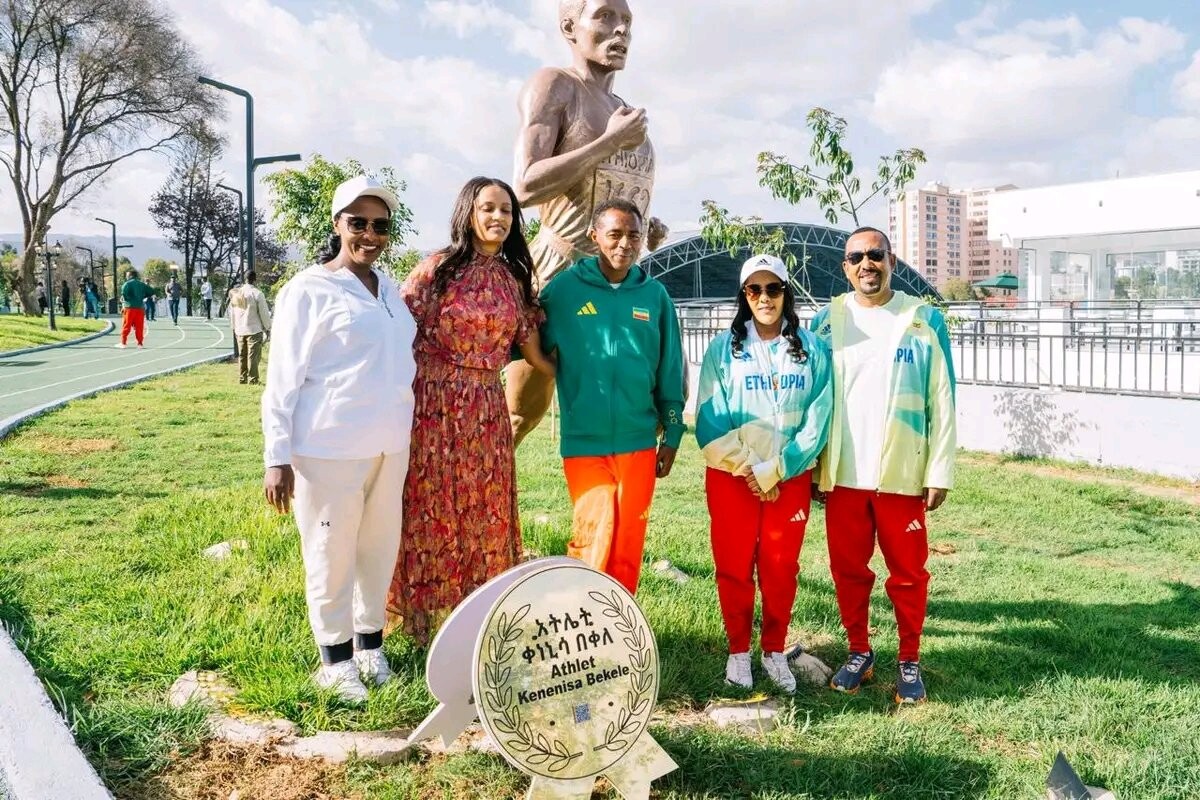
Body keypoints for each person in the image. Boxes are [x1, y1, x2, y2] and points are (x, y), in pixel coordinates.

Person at [261, 176, 417, 704]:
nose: (369, 234)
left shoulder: (390, 289)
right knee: (330, 553)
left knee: (378, 549)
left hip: (390, 446)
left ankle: (369, 645)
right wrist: (276, 457)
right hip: (328, 449)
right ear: (337, 224)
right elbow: (282, 379)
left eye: (380, 225)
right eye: (358, 223)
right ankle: (334, 660)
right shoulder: (308, 290)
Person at [387, 177, 555, 645]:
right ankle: (421, 616)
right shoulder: (436, 269)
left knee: (486, 509)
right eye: (488, 208)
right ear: (469, 213)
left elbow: (535, 354)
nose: (498, 217)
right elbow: (397, 333)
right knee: (429, 506)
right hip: (433, 405)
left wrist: (588, 372)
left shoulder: (513, 280)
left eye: (506, 210)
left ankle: (479, 613)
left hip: (486, 408)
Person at [505, 0, 669, 448]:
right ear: (569, 27)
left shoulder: (626, 110)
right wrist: (609, 141)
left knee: (622, 408)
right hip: (558, 275)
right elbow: (525, 185)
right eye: (605, 17)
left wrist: (645, 224)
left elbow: (610, 194)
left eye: (627, 21)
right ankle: (476, 487)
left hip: (616, 286)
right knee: (519, 414)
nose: (621, 31)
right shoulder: (556, 85)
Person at [811, 227, 957, 705]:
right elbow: (811, 397)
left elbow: (943, 399)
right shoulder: (826, 321)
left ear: (891, 260)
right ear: (845, 267)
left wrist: (939, 470)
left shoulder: (922, 319)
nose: (866, 264)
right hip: (843, 475)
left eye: (875, 254)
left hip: (901, 473)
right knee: (848, 570)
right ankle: (859, 651)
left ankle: (909, 659)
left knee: (908, 573)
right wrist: (812, 465)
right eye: (856, 257)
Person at [695, 254, 832, 693]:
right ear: (744, 296)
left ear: (786, 294)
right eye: (755, 290)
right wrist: (753, 470)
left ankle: (773, 650)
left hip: (788, 478)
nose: (765, 298)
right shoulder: (722, 349)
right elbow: (710, 420)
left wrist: (779, 468)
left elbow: (819, 417)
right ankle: (738, 651)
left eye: (773, 288)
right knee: (733, 565)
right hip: (733, 478)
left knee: (780, 568)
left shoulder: (813, 349)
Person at [537, 199, 683, 595]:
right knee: (595, 531)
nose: (624, 244)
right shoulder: (564, 291)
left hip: (639, 441)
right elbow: (525, 337)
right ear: (594, 236)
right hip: (585, 440)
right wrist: (553, 368)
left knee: (628, 542)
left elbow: (670, 369)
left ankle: (618, 619)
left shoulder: (654, 296)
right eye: (614, 234)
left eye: (633, 235)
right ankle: (583, 613)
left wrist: (672, 434)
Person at [228, 271, 272, 385]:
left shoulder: (237, 293)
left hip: (239, 329)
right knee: (253, 356)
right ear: (255, 279)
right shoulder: (257, 293)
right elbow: (263, 313)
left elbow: (232, 312)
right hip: (254, 329)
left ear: (245, 279)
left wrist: (233, 326)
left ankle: (242, 378)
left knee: (242, 355)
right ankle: (253, 379)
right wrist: (268, 327)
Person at [116, 269, 155, 348]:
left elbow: (124, 293)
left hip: (129, 307)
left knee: (126, 325)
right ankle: (140, 343)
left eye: (127, 275)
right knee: (139, 327)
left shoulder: (127, 284)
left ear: (130, 275)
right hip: (140, 308)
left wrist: (127, 299)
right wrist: (143, 296)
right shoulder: (142, 284)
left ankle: (123, 343)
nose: (126, 277)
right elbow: (151, 291)